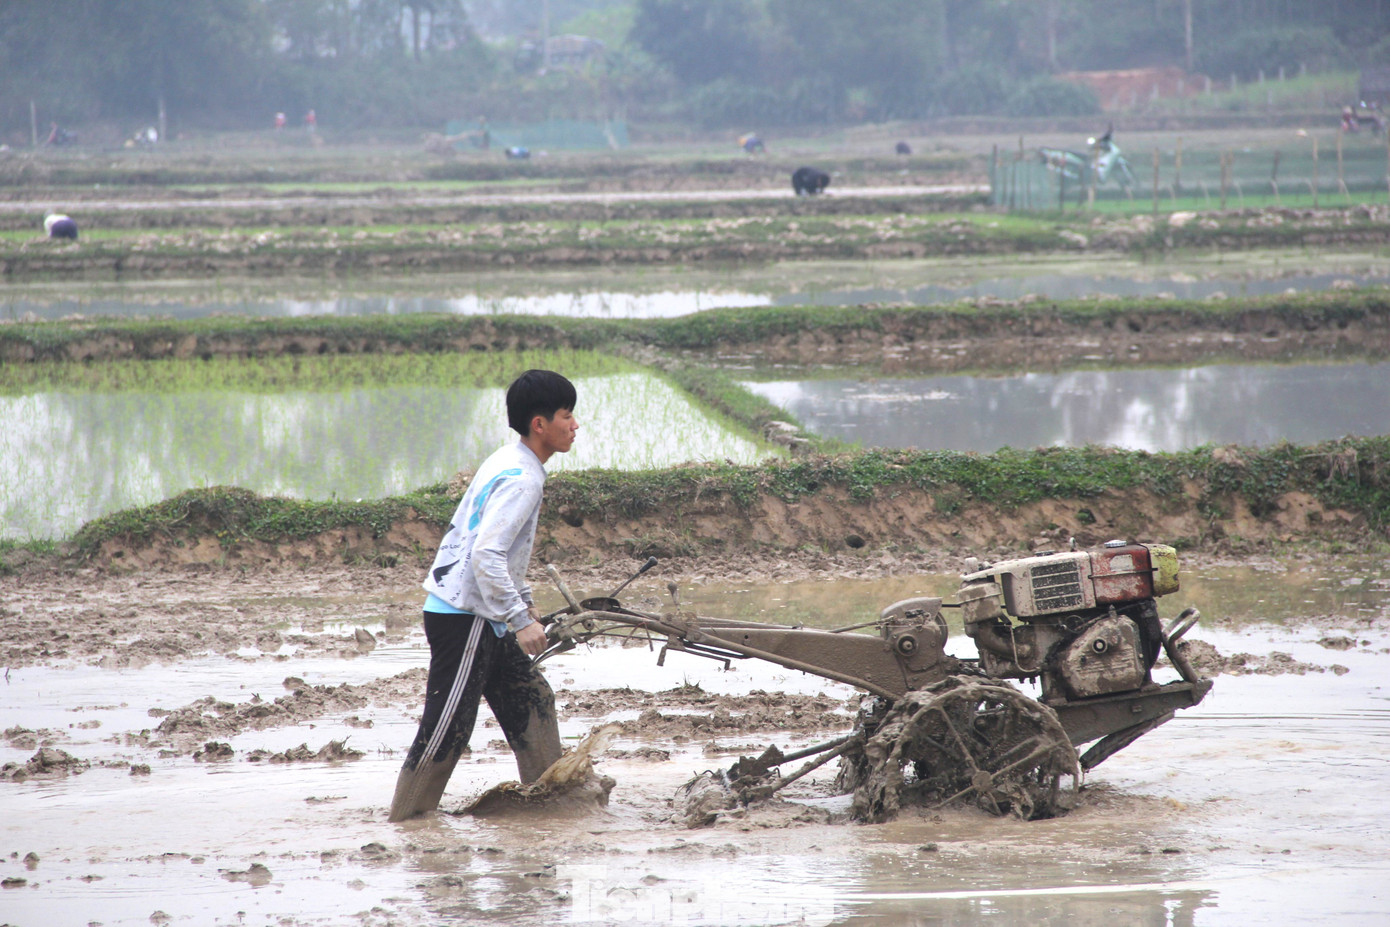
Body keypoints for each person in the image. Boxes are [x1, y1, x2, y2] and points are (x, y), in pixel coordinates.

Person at [387, 369, 576, 821]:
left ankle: (551, 805)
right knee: (447, 726)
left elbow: (503, 554)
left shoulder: (509, 460)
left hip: (483, 614)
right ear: (540, 424)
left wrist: (523, 601)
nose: (575, 426)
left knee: (531, 698)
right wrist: (520, 618)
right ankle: (408, 821)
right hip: (464, 616)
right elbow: (486, 554)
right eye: (567, 416)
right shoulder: (523, 479)